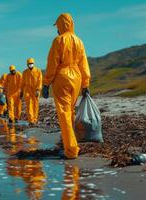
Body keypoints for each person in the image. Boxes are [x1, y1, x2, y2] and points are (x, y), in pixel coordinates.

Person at [42, 13, 91, 159]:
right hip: (76, 77)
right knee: (70, 112)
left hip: (62, 77)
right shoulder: (79, 41)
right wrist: (85, 84)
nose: (57, 29)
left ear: (61, 25)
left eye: (57, 26)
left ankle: (71, 149)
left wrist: (46, 83)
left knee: (64, 113)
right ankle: (70, 143)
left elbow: (52, 64)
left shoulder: (58, 40)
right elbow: (84, 63)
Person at [21, 58, 43, 125]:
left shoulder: (38, 71)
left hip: (36, 90)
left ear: (33, 63)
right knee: (29, 105)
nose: (30, 65)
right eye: (29, 64)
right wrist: (21, 91)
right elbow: (23, 83)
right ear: (27, 64)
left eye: (31, 63)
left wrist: (38, 89)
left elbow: (40, 81)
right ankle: (31, 120)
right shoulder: (25, 72)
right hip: (27, 90)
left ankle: (35, 119)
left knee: (35, 105)